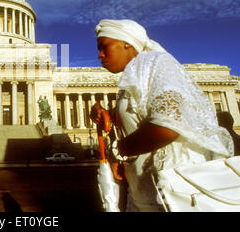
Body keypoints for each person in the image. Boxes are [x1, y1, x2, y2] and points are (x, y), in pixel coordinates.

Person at [90, 19, 233, 212]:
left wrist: (118, 151)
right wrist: (108, 114)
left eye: (104, 46)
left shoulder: (157, 63)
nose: (99, 55)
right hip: (145, 192)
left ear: (126, 42)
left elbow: (168, 126)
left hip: (175, 193)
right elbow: (139, 118)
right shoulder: (133, 76)